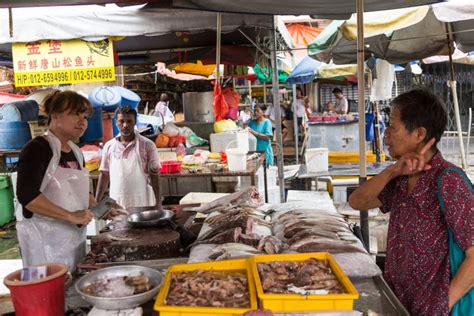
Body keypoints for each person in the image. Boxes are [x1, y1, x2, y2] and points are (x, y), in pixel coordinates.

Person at [349, 89, 473, 315]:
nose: (386, 134)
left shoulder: (449, 180)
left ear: (419, 134)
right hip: (401, 303)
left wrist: (441, 306)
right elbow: (357, 202)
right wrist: (391, 171)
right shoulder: (400, 178)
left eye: (392, 127)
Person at [16, 91, 95, 270]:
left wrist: (103, 208)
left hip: (74, 241)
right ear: (55, 116)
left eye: (85, 116)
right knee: (47, 292)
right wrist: (69, 216)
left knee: (72, 289)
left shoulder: (76, 151)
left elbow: (79, 193)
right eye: (75, 114)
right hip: (44, 244)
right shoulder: (37, 149)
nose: (82, 121)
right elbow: (28, 197)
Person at [95, 106, 161, 209]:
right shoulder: (109, 146)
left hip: (142, 202)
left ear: (135, 122)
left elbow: (154, 175)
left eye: (129, 121)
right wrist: (96, 203)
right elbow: (104, 175)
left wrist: (158, 203)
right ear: (116, 122)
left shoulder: (147, 145)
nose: (125, 125)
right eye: (121, 121)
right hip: (117, 202)